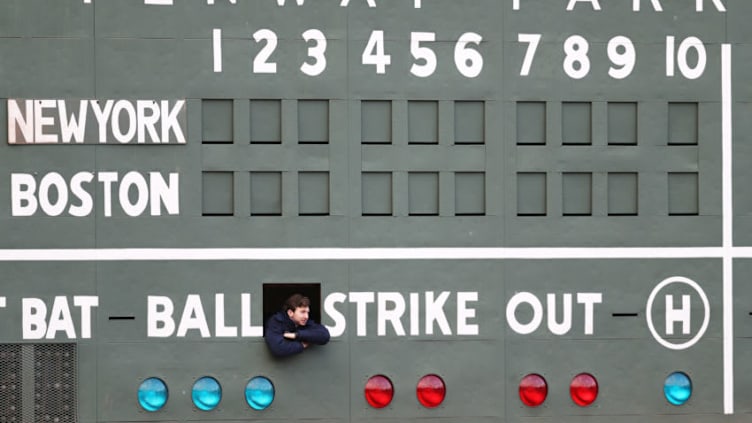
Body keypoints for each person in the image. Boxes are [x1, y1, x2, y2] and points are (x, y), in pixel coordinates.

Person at [264, 294, 330, 357]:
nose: (306, 316)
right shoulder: (276, 321)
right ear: (290, 313)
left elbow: (324, 335)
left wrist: (296, 335)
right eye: (302, 312)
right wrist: (302, 345)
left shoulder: (304, 322)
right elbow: (278, 348)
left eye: (307, 312)